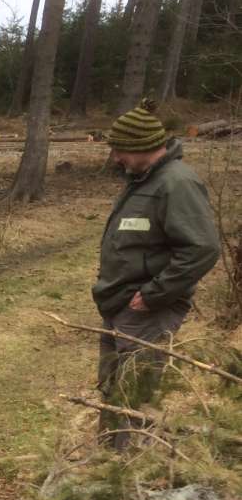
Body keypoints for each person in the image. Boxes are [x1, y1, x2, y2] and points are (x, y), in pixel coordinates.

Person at [93, 98, 220, 448]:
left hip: (146, 311)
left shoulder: (176, 184)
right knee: (113, 388)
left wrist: (154, 294)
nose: (115, 158)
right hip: (120, 303)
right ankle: (102, 470)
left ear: (142, 147)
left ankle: (129, 476)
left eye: (120, 150)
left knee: (135, 395)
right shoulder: (143, 178)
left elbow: (202, 248)